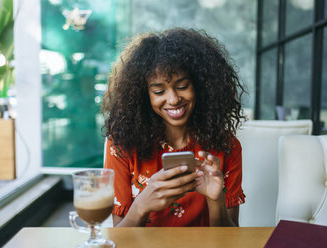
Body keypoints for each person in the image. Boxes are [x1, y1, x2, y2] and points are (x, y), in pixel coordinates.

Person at [102, 28, 246, 227]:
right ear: (144, 95)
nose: (173, 99)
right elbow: (120, 239)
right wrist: (141, 205)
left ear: (200, 86)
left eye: (182, 86)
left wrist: (216, 200)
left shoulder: (226, 146)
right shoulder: (121, 146)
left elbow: (229, 241)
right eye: (159, 90)